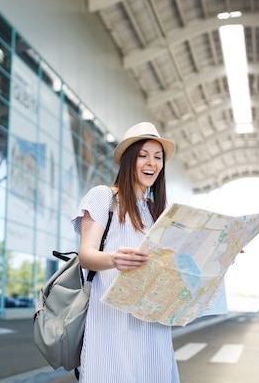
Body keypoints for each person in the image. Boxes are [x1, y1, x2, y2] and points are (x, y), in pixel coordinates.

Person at [72, 122, 180, 382]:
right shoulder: (104, 197)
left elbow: (174, 264)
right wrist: (113, 259)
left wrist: (221, 250)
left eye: (157, 157)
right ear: (129, 159)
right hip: (111, 322)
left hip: (152, 323)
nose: (151, 163)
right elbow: (85, 255)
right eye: (143, 155)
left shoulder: (159, 211)